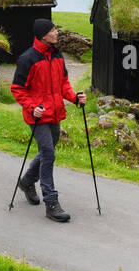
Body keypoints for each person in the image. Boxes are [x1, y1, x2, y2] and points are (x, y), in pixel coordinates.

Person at [10, 18, 86, 223]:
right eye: (53, 30)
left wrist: (75, 98)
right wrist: (32, 107)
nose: (56, 32)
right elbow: (17, 88)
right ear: (43, 34)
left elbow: (64, 86)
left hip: (55, 113)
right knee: (48, 154)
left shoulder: (57, 56)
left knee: (48, 150)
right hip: (38, 115)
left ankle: (27, 181)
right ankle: (51, 203)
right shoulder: (28, 59)